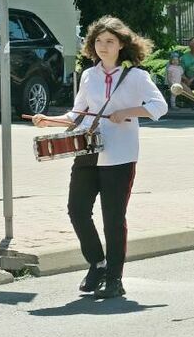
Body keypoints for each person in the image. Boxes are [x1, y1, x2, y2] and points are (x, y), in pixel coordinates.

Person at [30, 16, 168, 299]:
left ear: (121, 45)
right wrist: (49, 120)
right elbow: (77, 113)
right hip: (88, 151)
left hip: (120, 155)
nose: (103, 46)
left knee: (113, 218)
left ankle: (115, 278)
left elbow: (159, 106)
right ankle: (97, 263)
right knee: (77, 209)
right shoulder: (89, 75)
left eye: (110, 41)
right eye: (98, 41)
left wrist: (129, 111)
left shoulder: (137, 77)